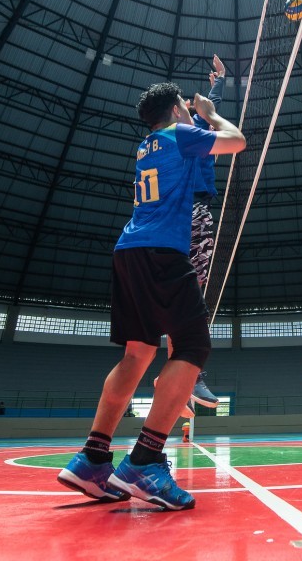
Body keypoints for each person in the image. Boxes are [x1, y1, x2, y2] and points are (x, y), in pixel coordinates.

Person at [57, 80, 245, 511]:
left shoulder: (146, 147)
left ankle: (92, 457)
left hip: (128, 250)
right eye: (184, 106)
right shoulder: (179, 135)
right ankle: (144, 459)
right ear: (178, 110)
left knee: (137, 352)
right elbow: (237, 141)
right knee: (194, 346)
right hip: (163, 249)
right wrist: (213, 113)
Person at [157, 54, 227, 419]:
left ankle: (180, 377)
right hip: (188, 214)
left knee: (185, 298)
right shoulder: (176, 137)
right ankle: (190, 374)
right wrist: (218, 88)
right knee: (190, 298)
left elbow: (208, 110)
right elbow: (206, 114)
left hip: (182, 216)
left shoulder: (196, 131)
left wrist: (219, 83)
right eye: (183, 106)